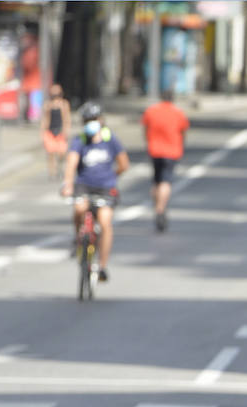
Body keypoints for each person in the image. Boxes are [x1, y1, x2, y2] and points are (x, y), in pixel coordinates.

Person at [62, 101, 129, 283]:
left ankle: (102, 266)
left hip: (105, 187)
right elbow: (71, 163)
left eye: (93, 119)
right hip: (84, 185)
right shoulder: (80, 140)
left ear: (101, 120)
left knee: (105, 223)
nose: (90, 123)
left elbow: (124, 163)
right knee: (79, 209)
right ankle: (78, 239)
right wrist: (68, 184)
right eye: (87, 120)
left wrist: (112, 177)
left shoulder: (110, 139)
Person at [140, 88, 190, 233]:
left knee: (156, 181)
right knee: (165, 182)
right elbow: (183, 131)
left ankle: (157, 207)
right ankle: (161, 210)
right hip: (171, 151)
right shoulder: (178, 113)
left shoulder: (151, 111)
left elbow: (145, 129)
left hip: (155, 150)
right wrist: (181, 145)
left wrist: (149, 142)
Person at [40, 84, 70, 180]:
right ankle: (52, 172)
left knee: (61, 153)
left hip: (60, 131)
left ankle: (59, 167)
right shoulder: (48, 105)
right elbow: (45, 119)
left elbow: (67, 118)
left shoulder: (64, 104)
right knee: (51, 153)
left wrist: (66, 131)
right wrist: (42, 132)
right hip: (50, 131)